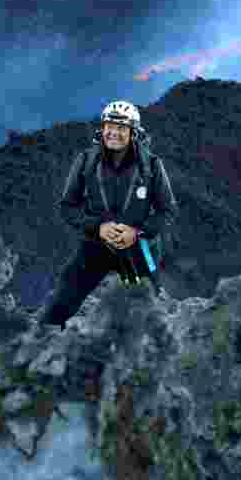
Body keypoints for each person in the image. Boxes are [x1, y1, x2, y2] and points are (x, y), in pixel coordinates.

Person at [41, 100, 179, 329]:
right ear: (102, 129)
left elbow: (168, 210)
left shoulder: (152, 166)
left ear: (134, 132)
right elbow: (67, 207)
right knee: (61, 304)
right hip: (96, 245)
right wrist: (98, 228)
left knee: (148, 310)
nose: (113, 132)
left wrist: (137, 232)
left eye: (121, 127)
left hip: (137, 248)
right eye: (109, 126)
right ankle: (44, 346)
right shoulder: (86, 161)